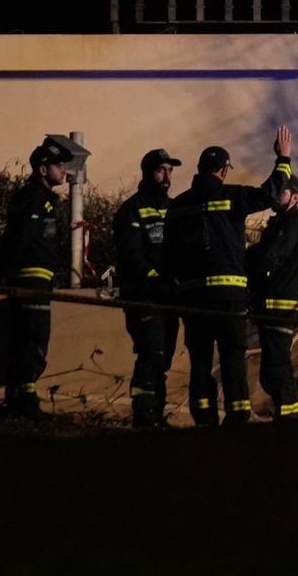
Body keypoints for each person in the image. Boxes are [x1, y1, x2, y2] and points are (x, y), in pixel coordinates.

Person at [166, 127, 294, 426]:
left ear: (199, 170)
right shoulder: (232, 196)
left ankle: (203, 416)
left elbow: (168, 254)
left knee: (199, 360)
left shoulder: (177, 206)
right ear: (223, 171)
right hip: (228, 298)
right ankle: (236, 416)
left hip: (193, 298)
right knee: (232, 357)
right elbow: (270, 194)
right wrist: (284, 158)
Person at [0, 137, 74, 416]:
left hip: (37, 278)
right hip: (31, 279)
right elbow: (23, 239)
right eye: (59, 165)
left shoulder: (41, 200)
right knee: (33, 337)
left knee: (31, 337)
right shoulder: (34, 200)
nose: (64, 170)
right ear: (43, 169)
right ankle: (24, 399)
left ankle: (21, 395)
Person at [112, 148, 180, 428]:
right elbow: (130, 254)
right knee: (152, 352)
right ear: (147, 172)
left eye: (170, 171)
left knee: (163, 356)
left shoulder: (174, 208)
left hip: (170, 297)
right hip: (144, 295)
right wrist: (153, 279)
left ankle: (157, 413)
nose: (167, 176)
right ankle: (143, 414)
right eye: (161, 170)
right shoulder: (132, 209)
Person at [246, 169, 298, 421]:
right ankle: (286, 416)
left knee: (276, 367)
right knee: (272, 369)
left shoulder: (292, 225)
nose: (275, 195)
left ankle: (290, 419)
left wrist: (244, 260)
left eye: (281, 191)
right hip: (274, 305)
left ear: (294, 198)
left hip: (281, 306)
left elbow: (270, 258)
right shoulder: (282, 223)